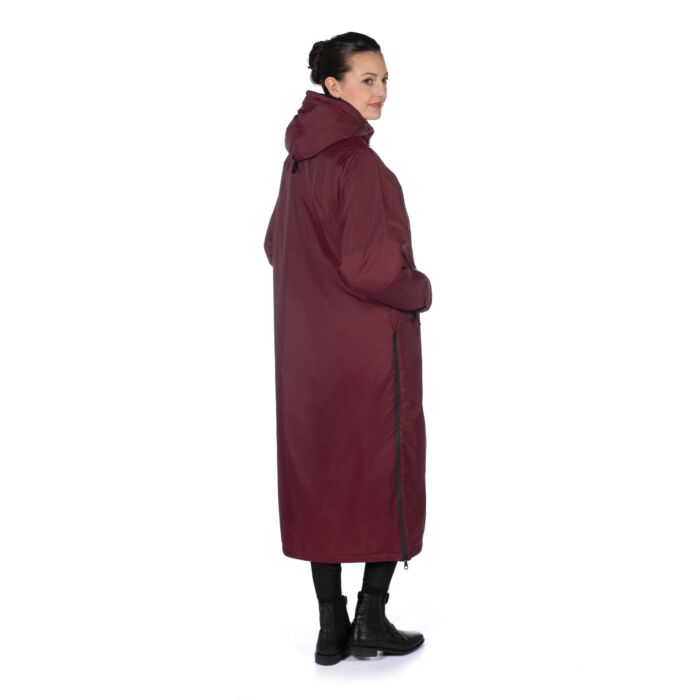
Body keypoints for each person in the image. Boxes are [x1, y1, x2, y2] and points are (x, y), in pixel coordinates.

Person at [263, 32, 432, 664]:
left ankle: (330, 628)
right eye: (368, 80)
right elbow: (371, 270)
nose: (381, 91)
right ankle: (371, 619)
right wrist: (419, 288)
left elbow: (276, 246)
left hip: (306, 355)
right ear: (333, 86)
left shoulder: (299, 162)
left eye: (385, 80)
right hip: (367, 356)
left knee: (323, 478)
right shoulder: (359, 165)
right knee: (384, 472)